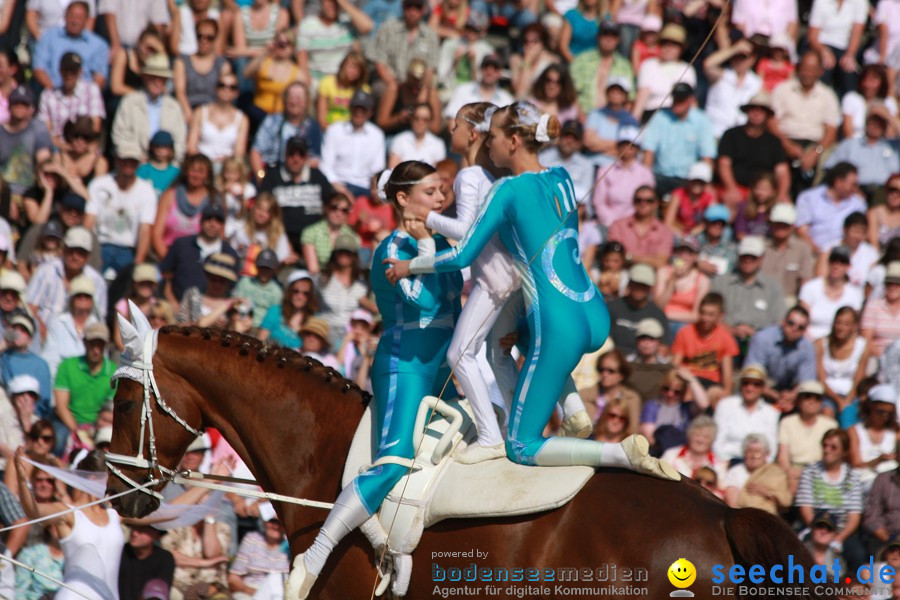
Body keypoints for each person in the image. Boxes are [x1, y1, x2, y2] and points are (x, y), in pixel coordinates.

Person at [383, 104, 678, 472]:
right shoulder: (562, 176)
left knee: (521, 446)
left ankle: (617, 454)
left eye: (493, 137)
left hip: (558, 324)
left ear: (514, 140)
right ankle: (571, 406)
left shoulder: (505, 190)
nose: (488, 145)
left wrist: (410, 264)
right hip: (594, 313)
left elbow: (461, 256)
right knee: (502, 341)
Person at [290, 161, 464, 597]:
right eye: (431, 192)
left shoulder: (441, 241)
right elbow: (426, 303)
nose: (441, 199)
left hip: (443, 366)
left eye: (442, 191)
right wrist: (426, 244)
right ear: (402, 199)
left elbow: (457, 295)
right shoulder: (392, 247)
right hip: (404, 364)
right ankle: (314, 556)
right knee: (394, 462)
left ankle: (398, 548)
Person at [16, 448, 125, 600]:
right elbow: (34, 512)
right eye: (111, 479)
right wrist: (22, 481)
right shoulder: (70, 513)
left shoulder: (113, 514)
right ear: (94, 478)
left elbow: (163, 513)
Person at [770, 51, 840, 195]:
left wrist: (815, 153)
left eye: (812, 69)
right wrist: (786, 145)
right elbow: (772, 123)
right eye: (804, 68)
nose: (807, 73)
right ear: (798, 68)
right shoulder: (782, 89)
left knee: (828, 157)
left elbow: (831, 132)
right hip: (784, 141)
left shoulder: (828, 95)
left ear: (819, 72)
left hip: (816, 145)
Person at [796, 428, 866, 570]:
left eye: (833, 447)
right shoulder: (810, 471)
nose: (827, 450)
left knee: (858, 555)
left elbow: (854, 516)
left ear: (844, 452)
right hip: (815, 527)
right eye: (825, 446)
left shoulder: (853, 476)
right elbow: (806, 508)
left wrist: (839, 537)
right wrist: (820, 532)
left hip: (841, 530)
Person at [85, 148, 157, 276]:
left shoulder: (147, 191)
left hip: (128, 250)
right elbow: (89, 221)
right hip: (101, 245)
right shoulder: (99, 184)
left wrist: (138, 262)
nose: (128, 165)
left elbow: (145, 230)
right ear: (117, 161)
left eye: (133, 161)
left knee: (130, 285)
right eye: (125, 160)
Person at [25, 226, 106, 336]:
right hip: (42, 337)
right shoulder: (45, 271)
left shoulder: (97, 281)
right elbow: (30, 308)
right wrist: (43, 332)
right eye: (71, 251)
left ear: (88, 256)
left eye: (81, 252)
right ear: (63, 250)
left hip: (81, 341)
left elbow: (98, 319)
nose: (75, 256)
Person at [258, 136, 336, 251]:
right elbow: (261, 207)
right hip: (280, 238)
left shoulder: (317, 177)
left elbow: (332, 203)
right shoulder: (272, 177)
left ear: (306, 157)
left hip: (314, 241)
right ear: (285, 155)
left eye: (301, 154)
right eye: (291, 154)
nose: (296, 159)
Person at [639, 82, 716, 196]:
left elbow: (707, 157)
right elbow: (649, 152)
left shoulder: (702, 120)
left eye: (681, 99)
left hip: (688, 180)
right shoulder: (660, 117)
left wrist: (707, 182)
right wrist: (645, 180)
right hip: (660, 176)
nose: (677, 103)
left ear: (691, 100)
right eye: (675, 98)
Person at [716, 91, 791, 208]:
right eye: (753, 109)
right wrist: (731, 188)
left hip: (765, 193)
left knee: (784, 208)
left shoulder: (774, 142)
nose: (757, 113)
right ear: (747, 111)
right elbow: (724, 164)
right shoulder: (731, 135)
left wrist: (781, 194)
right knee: (728, 201)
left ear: (767, 115)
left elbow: (782, 172)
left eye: (761, 110)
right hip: (737, 188)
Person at [111, 54, 187, 162]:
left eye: (162, 78)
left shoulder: (174, 107)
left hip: (166, 167)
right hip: (134, 164)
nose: (157, 82)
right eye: (153, 77)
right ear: (145, 77)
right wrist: (138, 158)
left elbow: (180, 143)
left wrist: (167, 164)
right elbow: (120, 137)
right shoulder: (129, 102)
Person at [160, 203, 239, 305]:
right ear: (201, 221)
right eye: (208, 219)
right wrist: (173, 305)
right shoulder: (181, 245)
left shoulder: (230, 254)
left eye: (218, 220)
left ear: (223, 225)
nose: (212, 224)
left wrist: (217, 311)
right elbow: (166, 277)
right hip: (178, 309)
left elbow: (231, 289)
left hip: (213, 313)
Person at [711, 235, 786, 342]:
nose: (748, 260)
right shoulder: (720, 282)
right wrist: (731, 330)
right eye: (744, 256)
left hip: (760, 342)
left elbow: (779, 321)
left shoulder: (773, 287)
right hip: (724, 339)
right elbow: (710, 315)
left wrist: (757, 335)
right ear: (738, 256)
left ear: (761, 258)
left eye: (753, 257)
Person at [52, 322, 115, 449]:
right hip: (68, 422)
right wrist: (78, 431)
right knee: (58, 440)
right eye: (92, 343)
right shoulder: (67, 366)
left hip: (100, 423)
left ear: (106, 345)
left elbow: (110, 410)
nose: (96, 350)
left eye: (100, 344)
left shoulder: (114, 372)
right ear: (85, 342)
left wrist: (97, 429)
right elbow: (61, 407)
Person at [746, 306, 817, 411]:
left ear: (805, 330)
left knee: (808, 400)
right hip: (762, 386)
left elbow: (806, 382)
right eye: (791, 323)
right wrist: (776, 396)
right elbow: (751, 374)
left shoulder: (807, 347)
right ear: (783, 322)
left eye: (800, 327)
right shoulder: (763, 338)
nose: (794, 329)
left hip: (790, 392)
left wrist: (791, 396)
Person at [672, 292, 738, 401]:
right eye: (703, 313)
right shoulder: (685, 332)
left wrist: (726, 392)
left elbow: (727, 374)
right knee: (689, 392)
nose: (705, 318)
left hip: (710, 382)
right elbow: (674, 365)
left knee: (716, 395)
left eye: (711, 315)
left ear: (720, 316)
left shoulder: (725, 338)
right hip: (688, 379)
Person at [319, 90, 385, 198]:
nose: (359, 113)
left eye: (363, 109)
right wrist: (336, 184)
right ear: (350, 109)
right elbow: (325, 166)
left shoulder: (377, 135)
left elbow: (377, 170)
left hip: (365, 189)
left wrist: (374, 190)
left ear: (370, 112)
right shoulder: (334, 130)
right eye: (356, 108)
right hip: (337, 185)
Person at [151, 153, 217, 261]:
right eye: (193, 170)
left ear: (208, 175)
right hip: (168, 255)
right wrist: (169, 262)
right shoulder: (169, 195)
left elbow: (218, 237)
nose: (196, 175)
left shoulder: (213, 199)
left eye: (201, 171)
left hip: (200, 260)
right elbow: (156, 234)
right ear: (186, 172)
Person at [31, 1, 108, 91]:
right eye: (72, 16)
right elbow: (39, 69)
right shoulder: (48, 37)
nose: (75, 21)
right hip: (53, 93)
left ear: (87, 19)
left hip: (84, 97)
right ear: (65, 16)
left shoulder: (98, 45)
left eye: (79, 18)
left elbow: (99, 79)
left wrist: (84, 97)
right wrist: (55, 94)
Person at [250, 82, 322, 177]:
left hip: (300, 177)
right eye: (291, 97)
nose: (294, 101)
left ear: (307, 101)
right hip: (271, 174)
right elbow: (256, 152)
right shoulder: (272, 121)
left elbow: (315, 160)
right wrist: (261, 176)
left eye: (299, 98)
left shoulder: (312, 126)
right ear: (285, 99)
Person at [316, 235, 375, 349]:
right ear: (334, 253)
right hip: (326, 331)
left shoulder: (362, 281)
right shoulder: (323, 278)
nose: (344, 255)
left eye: (348, 252)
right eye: (340, 251)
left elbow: (370, 307)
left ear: (355, 255)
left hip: (352, 334)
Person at [713, 364, 780, 463]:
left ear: (763, 388)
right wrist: (723, 461)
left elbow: (771, 448)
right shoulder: (726, 405)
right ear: (740, 385)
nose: (750, 388)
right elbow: (717, 441)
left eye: (756, 384)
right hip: (727, 460)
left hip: (758, 464)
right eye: (746, 383)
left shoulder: (771, 412)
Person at [36, 52, 105, 149]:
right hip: (57, 149)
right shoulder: (48, 95)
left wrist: (82, 148)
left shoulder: (92, 90)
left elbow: (95, 127)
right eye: (66, 70)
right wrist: (67, 149)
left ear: (80, 72)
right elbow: (46, 133)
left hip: (85, 147)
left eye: (73, 71)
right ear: (60, 71)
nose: (69, 75)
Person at [591, 124, 654, 227]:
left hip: (635, 224)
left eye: (631, 146)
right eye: (623, 145)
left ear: (637, 149)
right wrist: (611, 222)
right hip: (608, 223)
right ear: (618, 146)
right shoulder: (605, 170)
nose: (626, 148)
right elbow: (599, 202)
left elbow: (647, 203)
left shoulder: (645, 174)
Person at [799, 246, 865, 341]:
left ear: (848, 266)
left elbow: (854, 328)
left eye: (842, 262)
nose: (836, 266)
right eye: (833, 261)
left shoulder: (855, 294)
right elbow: (802, 320)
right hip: (810, 340)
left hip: (840, 343)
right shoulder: (810, 287)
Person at [702, 38, 763, 140]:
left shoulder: (756, 83)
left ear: (753, 59)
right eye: (736, 56)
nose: (739, 61)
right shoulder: (722, 75)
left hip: (740, 138)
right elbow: (708, 64)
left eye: (743, 57)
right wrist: (734, 49)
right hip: (714, 133)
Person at [186, 73, 248, 171]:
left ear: (236, 92)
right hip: (201, 167)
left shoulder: (242, 119)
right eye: (222, 85)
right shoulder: (200, 112)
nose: (226, 90)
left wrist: (225, 163)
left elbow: (239, 154)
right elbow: (191, 147)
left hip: (227, 170)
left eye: (232, 87)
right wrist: (205, 164)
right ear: (215, 88)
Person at [40, 274, 100, 377]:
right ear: (71, 298)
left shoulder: (97, 326)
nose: (82, 298)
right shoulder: (58, 323)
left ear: (92, 300)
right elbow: (50, 358)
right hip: (61, 378)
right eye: (78, 295)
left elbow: (102, 359)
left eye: (87, 296)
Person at [806, 0, 867, 98]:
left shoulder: (860, 2)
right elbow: (813, 36)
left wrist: (850, 55)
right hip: (823, 47)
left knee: (849, 78)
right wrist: (823, 51)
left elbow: (857, 32)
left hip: (846, 49)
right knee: (822, 72)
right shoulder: (820, 2)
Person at [639, 368, 708, 454]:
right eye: (666, 389)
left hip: (681, 454)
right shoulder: (652, 405)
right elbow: (649, 436)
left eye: (676, 392)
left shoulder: (686, 408)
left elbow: (704, 404)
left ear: (683, 392)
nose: (670, 394)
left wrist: (691, 380)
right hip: (658, 452)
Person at [570, 22, 633, 115]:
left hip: (612, 119)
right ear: (598, 37)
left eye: (613, 36)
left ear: (618, 40)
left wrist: (616, 121)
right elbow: (571, 94)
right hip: (583, 116)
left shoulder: (625, 66)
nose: (609, 39)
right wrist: (583, 119)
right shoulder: (581, 60)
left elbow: (629, 100)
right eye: (605, 34)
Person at [227, 504, 289, 599]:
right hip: (250, 591)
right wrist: (256, 593)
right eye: (272, 521)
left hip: (280, 592)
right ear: (264, 522)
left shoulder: (289, 545)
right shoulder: (251, 539)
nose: (276, 526)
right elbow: (234, 578)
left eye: (280, 523)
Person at [0, 87, 52, 198]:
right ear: (9, 106)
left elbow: (44, 160)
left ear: (31, 109)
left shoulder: (38, 128)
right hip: (3, 190)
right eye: (16, 103)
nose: (20, 107)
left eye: (24, 104)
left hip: (30, 190)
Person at [173, 19, 231, 121]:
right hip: (187, 111)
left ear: (216, 39)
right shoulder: (182, 61)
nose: (204, 41)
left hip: (212, 114)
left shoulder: (223, 65)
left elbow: (224, 95)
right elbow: (180, 92)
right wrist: (189, 114)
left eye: (209, 38)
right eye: (200, 36)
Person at [606, 262, 670, 354]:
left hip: (643, 363)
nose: (639, 288)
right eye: (636, 284)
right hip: (614, 358)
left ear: (650, 288)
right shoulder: (612, 307)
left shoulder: (657, 314)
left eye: (644, 285)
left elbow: (663, 347)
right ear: (629, 283)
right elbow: (602, 340)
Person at [817, 306, 870, 415]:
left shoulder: (862, 346)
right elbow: (821, 380)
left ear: (854, 326)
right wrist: (838, 400)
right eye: (838, 323)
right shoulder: (821, 344)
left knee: (849, 415)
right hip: (827, 394)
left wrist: (846, 401)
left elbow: (859, 379)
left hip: (851, 395)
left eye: (846, 324)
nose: (841, 327)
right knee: (827, 411)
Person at [723, 434, 792, 514]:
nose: (754, 455)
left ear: (767, 454)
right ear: (744, 453)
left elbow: (785, 504)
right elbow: (733, 504)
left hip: (769, 518)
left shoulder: (777, 473)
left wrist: (767, 493)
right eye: (750, 451)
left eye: (758, 451)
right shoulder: (735, 472)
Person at [607, 186, 674, 269]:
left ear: (656, 203)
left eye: (649, 201)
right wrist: (649, 259)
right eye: (639, 200)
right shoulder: (618, 225)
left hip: (650, 275)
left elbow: (661, 262)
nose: (643, 203)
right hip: (620, 271)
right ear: (633, 202)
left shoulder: (664, 231)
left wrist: (631, 257)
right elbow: (613, 257)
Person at [848, 384, 899, 492]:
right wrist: (878, 460)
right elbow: (856, 465)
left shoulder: (896, 433)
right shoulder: (854, 431)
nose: (884, 416)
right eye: (880, 412)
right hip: (862, 484)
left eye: (888, 413)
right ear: (870, 407)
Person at [760, 203, 814, 304]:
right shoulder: (760, 245)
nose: (780, 227)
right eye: (777, 223)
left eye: (785, 224)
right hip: (760, 296)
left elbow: (805, 281)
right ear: (771, 224)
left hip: (788, 299)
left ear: (792, 226)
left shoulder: (802, 248)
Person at [653, 235, 710, 331]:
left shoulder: (703, 280)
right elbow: (658, 306)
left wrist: (667, 315)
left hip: (685, 325)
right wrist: (673, 280)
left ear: (695, 256)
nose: (684, 256)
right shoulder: (664, 272)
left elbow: (696, 315)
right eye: (681, 252)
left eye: (689, 253)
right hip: (661, 321)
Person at [230, 192, 294, 274]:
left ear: (272, 215)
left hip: (267, 278)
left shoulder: (279, 234)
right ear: (253, 208)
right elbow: (232, 255)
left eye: (267, 212)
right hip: (242, 275)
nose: (262, 214)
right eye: (259, 209)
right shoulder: (240, 230)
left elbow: (281, 259)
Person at [177, 252, 240, 327]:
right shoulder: (193, 294)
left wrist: (227, 325)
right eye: (213, 279)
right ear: (207, 277)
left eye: (222, 281)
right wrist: (207, 320)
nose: (217, 284)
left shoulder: (233, 302)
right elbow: (180, 325)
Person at [258, 269, 317, 348]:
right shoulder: (275, 311)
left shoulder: (313, 321)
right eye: (296, 291)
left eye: (305, 293)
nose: (300, 296)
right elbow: (260, 341)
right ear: (289, 291)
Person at [538, 120, 594, 203]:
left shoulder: (586, 165)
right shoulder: (543, 158)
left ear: (580, 143)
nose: (570, 141)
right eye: (567, 136)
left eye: (575, 138)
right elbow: (539, 188)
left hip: (575, 209)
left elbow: (585, 196)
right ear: (559, 137)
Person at [661, 415, 728, 481]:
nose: (700, 440)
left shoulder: (717, 466)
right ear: (689, 435)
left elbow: (719, 490)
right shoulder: (671, 455)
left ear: (712, 440)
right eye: (697, 435)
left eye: (706, 437)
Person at [316, 50, 371, 129]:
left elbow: (364, 118)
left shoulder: (364, 90)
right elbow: (321, 119)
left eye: (358, 69)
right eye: (351, 66)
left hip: (353, 131)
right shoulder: (327, 83)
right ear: (343, 65)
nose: (353, 71)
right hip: (329, 129)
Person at [119, 525, 176, 600]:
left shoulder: (164, 558)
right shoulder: (119, 552)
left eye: (142, 530)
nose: (135, 533)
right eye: (134, 528)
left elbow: (159, 594)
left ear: (156, 535)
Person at [109, 27, 167, 98]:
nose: (149, 52)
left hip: (141, 104)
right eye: (147, 47)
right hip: (119, 101)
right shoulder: (123, 54)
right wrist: (142, 95)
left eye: (153, 49)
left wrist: (161, 51)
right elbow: (116, 88)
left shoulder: (153, 62)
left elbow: (163, 89)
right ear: (139, 43)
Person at [387, 103, 446, 168]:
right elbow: (392, 170)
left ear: (430, 121)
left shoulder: (438, 144)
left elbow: (439, 172)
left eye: (425, 119)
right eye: (417, 118)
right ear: (411, 119)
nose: (420, 122)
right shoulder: (399, 139)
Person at [663, 163, 716, 236]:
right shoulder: (678, 194)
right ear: (689, 180)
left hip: (699, 234)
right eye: (695, 180)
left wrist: (693, 233)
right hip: (677, 232)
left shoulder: (709, 198)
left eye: (701, 182)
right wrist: (680, 235)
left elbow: (711, 221)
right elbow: (668, 222)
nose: (697, 184)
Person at [862, 262, 900, 356]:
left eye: (897, 283)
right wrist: (884, 358)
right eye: (889, 283)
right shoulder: (873, 307)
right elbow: (866, 339)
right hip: (877, 358)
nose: (892, 286)